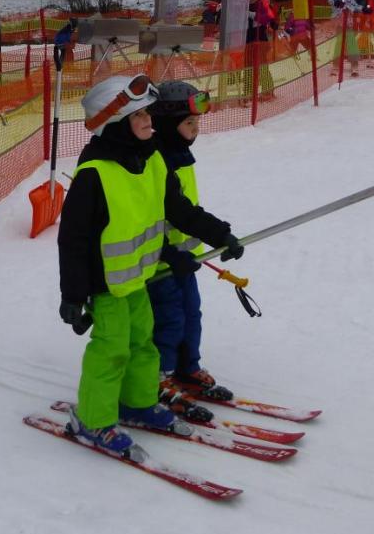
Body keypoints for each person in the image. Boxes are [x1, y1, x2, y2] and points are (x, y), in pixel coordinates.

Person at [57, 74, 244, 455]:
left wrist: (220, 234)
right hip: (105, 286)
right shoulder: (94, 174)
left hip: (139, 280)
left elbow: (179, 210)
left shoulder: (152, 159)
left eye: (148, 114)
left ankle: (137, 403)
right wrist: (73, 296)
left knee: (144, 346)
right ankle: (91, 421)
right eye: (139, 116)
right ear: (115, 125)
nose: (149, 122)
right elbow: (73, 240)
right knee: (111, 352)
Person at [143, 81, 235, 424]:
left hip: (185, 259)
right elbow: (154, 215)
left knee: (191, 313)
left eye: (196, 123)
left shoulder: (180, 155)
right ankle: (159, 377)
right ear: (168, 124)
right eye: (189, 124)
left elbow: (186, 209)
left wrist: (219, 234)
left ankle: (187, 367)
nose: (195, 131)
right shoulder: (155, 161)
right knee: (168, 319)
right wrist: (167, 253)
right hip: (159, 260)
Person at [329, 0, 363, 76]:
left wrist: (363, 9)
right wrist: (336, 2)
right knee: (341, 42)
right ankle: (336, 65)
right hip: (340, 19)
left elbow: (353, 5)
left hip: (347, 21)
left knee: (350, 42)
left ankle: (354, 64)